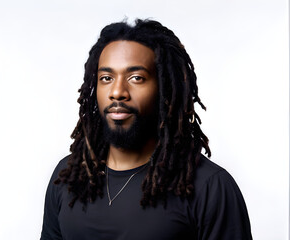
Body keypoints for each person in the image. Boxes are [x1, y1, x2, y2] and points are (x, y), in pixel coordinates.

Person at [40, 19, 252, 240]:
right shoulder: (66, 177)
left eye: (136, 78)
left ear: (164, 89)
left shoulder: (210, 186)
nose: (117, 92)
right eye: (106, 78)